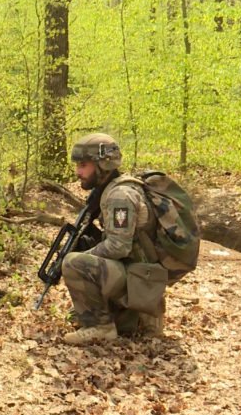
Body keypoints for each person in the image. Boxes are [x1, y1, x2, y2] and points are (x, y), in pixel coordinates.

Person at [61, 133, 166, 344]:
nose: (78, 172)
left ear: (102, 165)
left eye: (83, 165)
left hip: (140, 279)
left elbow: (119, 247)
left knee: (74, 263)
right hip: (138, 276)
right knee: (77, 310)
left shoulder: (120, 196)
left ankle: (101, 328)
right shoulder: (111, 189)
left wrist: (83, 258)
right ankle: (128, 318)